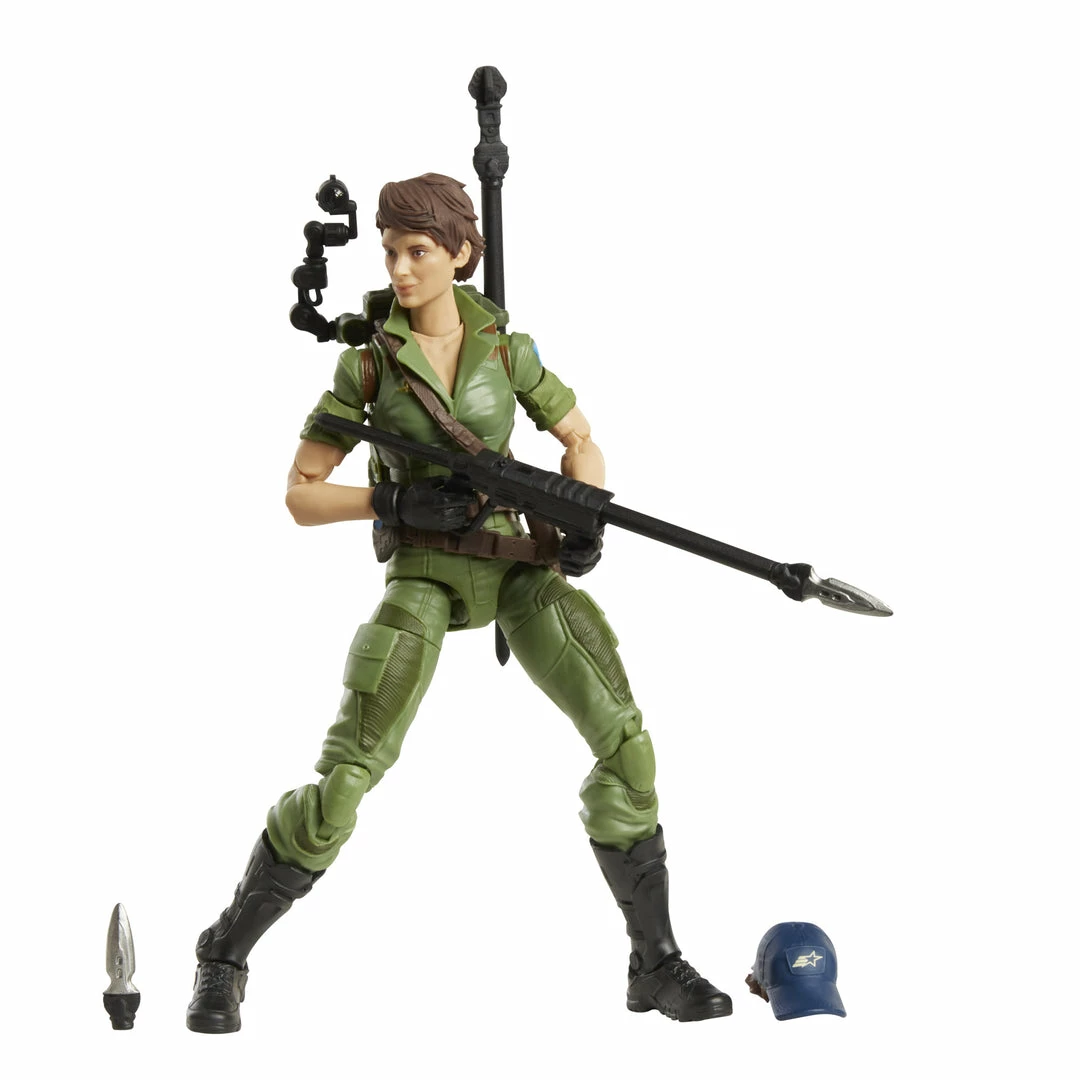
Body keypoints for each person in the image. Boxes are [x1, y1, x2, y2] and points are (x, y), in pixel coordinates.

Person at [186, 173, 731, 1032]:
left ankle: (654, 964)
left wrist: (583, 514)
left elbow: (580, 439)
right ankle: (224, 953)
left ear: (462, 253)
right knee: (348, 776)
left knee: (627, 746)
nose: (401, 270)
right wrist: (391, 501)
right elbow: (300, 492)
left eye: (419, 251)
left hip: (517, 565)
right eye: (390, 252)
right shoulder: (368, 361)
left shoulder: (506, 349)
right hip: (425, 574)